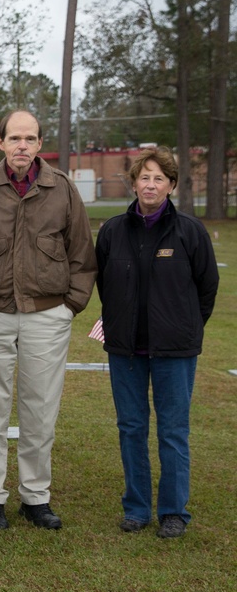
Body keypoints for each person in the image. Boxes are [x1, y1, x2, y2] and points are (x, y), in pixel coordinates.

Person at [0, 110, 97, 531]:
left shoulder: (63, 190)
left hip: (46, 316)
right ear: (0, 142)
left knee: (40, 411)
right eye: (14, 138)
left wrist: (68, 305)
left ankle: (36, 497)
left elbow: (81, 253)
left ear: (39, 144)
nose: (22, 145)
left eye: (30, 138)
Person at [95, 147, 218, 539]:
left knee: (172, 431)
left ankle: (173, 511)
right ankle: (136, 508)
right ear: (133, 183)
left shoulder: (190, 232)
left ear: (171, 185)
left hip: (175, 352)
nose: (150, 184)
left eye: (159, 178)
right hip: (125, 349)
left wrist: (186, 328)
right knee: (131, 427)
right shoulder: (113, 230)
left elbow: (207, 287)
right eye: (144, 177)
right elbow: (104, 284)